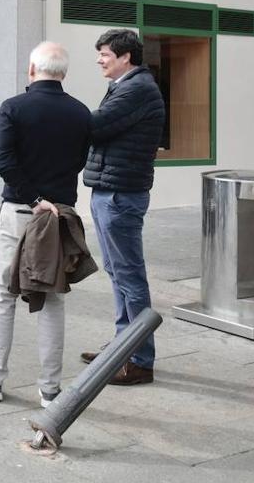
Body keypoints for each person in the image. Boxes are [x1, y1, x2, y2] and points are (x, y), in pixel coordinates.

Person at [0, 42, 92, 408]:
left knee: (3, 295)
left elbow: (3, 161)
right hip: (60, 215)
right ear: (63, 73)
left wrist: (35, 198)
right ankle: (51, 389)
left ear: (32, 70)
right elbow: (79, 160)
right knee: (52, 298)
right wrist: (51, 199)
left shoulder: (14, 108)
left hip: (21, 212)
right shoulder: (81, 113)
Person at [80, 29, 165, 386]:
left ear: (126, 57)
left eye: (105, 54)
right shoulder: (126, 87)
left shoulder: (137, 89)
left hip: (120, 194)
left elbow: (96, 127)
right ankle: (122, 347)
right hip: (110, 190)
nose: (99, 60)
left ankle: (140, 360)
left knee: (129, 276)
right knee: (118, 273)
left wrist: (59, 109)